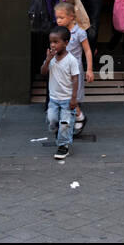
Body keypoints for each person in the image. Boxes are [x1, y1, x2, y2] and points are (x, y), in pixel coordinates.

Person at [55, 0, 93, 132]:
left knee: (72, 97)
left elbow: (88, 51)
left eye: (61, 17)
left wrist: (89, 69)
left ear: (71, 16)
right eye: (57, 17)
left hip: (74, 71)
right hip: (61, 70)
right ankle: (70, 120)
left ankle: (79, 116)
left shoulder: (79, 33)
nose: (58, 21)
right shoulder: (58, 32)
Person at [41, 25, 80, 160]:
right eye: (51, 42)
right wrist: (47, 60)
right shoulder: (50, 58)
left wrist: (74, 98)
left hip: (66, 99)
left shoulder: (71, 60)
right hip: (53, 98)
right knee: (52, 120)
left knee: (65, 123)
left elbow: (75, 79)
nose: (53, 45)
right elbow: (43, 73)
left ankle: (63, 146)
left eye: (56, 42)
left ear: (66, 43)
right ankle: (60, 133)